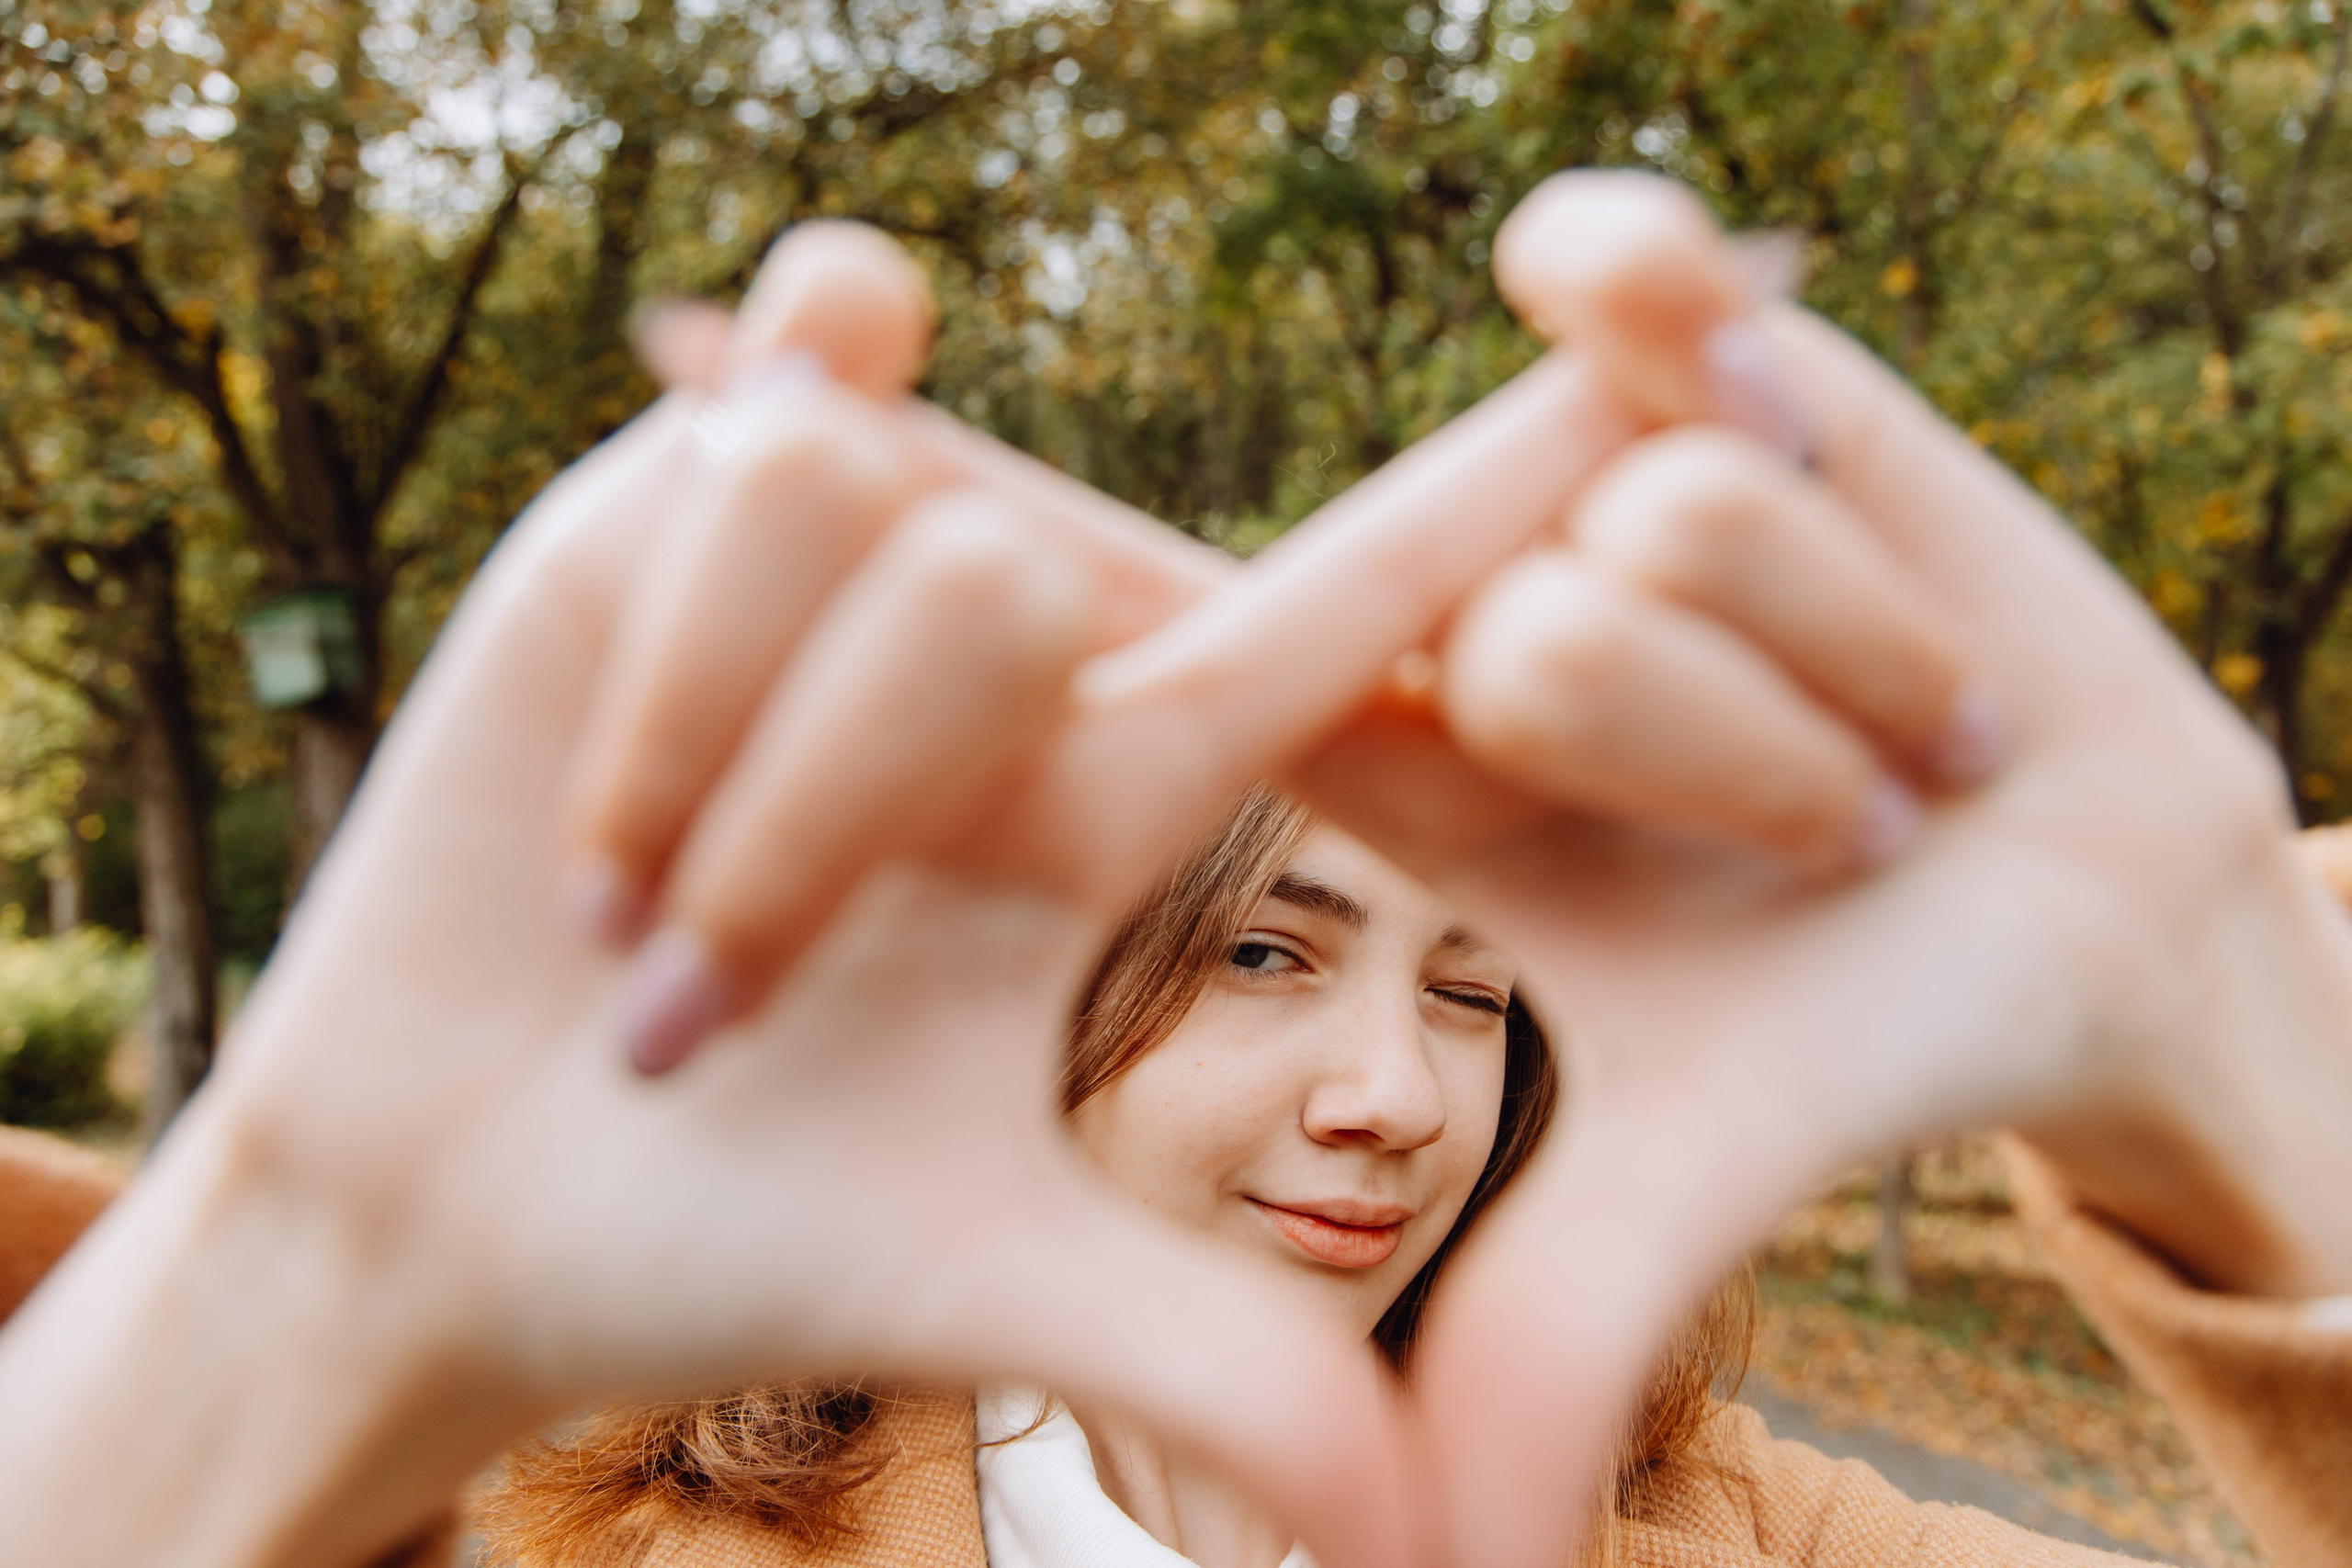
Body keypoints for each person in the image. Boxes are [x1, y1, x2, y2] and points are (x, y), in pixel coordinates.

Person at [0, 168, 2348, 1568]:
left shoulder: (1731, 1526)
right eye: (1260, 946)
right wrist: (292, 1293)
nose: (1397, 1094)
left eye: (1471, 984)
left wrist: (2261, 1078)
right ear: (1041, 992)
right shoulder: (570, 1521)